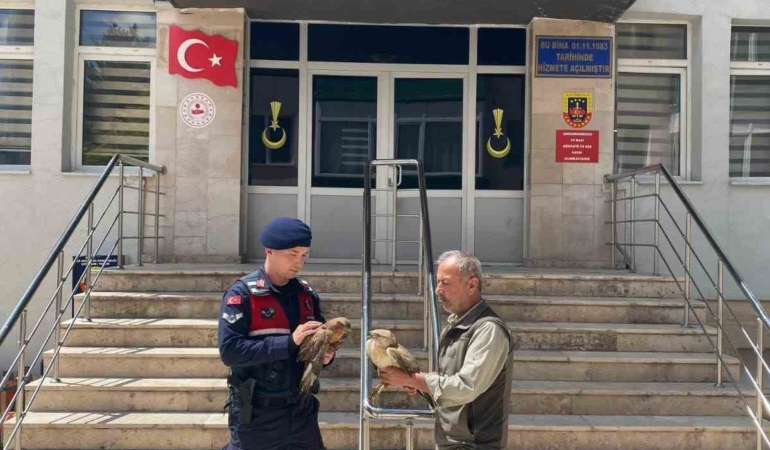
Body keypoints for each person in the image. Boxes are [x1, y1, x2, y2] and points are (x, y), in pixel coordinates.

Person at [218, 217, 335, 450]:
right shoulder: (243, 294)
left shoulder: (306, 295)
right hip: (256, 415)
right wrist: (289, 342)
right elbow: (230, 352)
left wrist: (326, 355)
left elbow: (321, 341)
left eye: (304, 255)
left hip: (301, 411)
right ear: (269, 251)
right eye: (292, 254)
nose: (299, 262)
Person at [379, 250, 513, 450]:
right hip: (452, 441)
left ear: (472, 285)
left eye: (445, 283)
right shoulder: (456, 325)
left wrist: (413, 379)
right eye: (438, 282)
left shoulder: (489, 330)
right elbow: (449, 381)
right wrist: (420, 383)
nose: (437, 290)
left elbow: (466, 387)